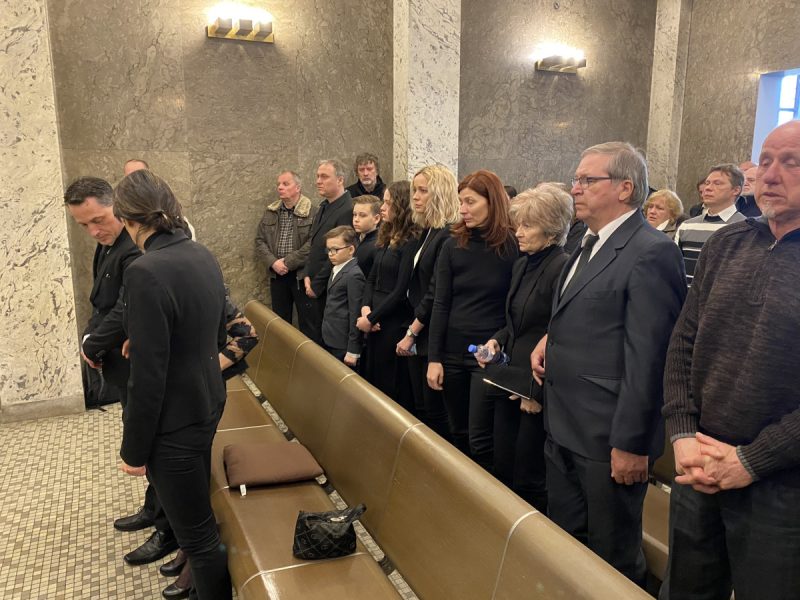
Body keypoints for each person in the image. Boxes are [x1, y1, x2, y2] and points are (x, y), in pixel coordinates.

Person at [531, 141, 686, 585]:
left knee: (612, 559)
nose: (575, 188)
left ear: (625, 188)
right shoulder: (586, 243)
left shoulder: (651, 250)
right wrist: (550, 339)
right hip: (564, 424)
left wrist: (632, 444)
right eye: (576, 179)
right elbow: (589, 311)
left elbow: (650, 356)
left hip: (608, 437)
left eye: (587, 180)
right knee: (568, 548)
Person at [659, 120, 800, 600]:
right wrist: (681, 433)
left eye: (791, 162)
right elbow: (683, 343)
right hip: (699, 462)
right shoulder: (727, 244)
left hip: (782, 486)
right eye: (766, 161)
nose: (771, 175)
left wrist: (750, 461)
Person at [114, 169, 232, 600]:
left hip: (174, 423)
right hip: (207, 401)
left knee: (198, 538)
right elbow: (215, 336)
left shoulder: (144, 271)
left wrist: (134, 451)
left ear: (128, 221)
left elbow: (148, 378)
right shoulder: (201, 253)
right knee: (198, 516)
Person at [480, 184, 572, 511]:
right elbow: (515, 321)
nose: (518, 232)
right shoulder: (522, 263)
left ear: (552, 230)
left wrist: (536, 393)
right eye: (518, 224)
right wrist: (497, 339)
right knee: (503, 467)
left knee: (529, 478)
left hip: (536, 386)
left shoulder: (562, 266)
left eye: (527, 226)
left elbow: (558, 333)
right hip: (511, 378)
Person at [161, 295, 258, 599]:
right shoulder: (155, 284)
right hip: (175, 401)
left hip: (200, 399)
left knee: (196, 473)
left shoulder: (203, 282)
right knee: (190, 478)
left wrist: (207, 369)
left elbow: (248, 335)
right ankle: (191, 550)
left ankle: (198, 558)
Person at [426, 169, 518, 468]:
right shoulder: (452, 245)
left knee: (481, 438)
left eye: (470, 202)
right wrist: (434, 358)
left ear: (492, 202)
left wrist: (499, 342)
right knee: (458, 431)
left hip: (487, 354)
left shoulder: (512, 246)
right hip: (452, 352)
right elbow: (441, 304)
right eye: (460, 202)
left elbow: (515, 307)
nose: (463, 209)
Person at [397, 165, 460, 440]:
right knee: (422, 408)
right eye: (415, 190)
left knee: (436, 413)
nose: (415, 196)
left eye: (423, 190)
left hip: (431, 331)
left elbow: (435, 292)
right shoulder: (429, 230)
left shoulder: (447, 233)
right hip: (420, 327)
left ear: (440, 193)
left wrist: (412, 331)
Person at [357, 181, 420, 411]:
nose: (382, 207)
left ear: (401, 206)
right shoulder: (387, 234)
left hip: (392, 321)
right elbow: (371, 278)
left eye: (388, 203)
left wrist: (372, 317)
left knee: (390, 383)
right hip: (374, 317)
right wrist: (366, 309)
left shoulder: (411, 240)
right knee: (371, 377)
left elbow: (401, 290)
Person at [255, 170, 320, 336]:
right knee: (280, 324)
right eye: (278, 184)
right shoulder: (271, 212)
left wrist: (288, 262)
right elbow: (260, 241)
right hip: (277, 275)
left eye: (285, 184)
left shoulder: (313, 212)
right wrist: (273, 262)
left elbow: (313, 243)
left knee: (308, 323)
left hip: (302, 275)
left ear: (298, 187)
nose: (280, 187)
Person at [302, 159, 354, 344]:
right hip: (313, 281)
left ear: (340, 180)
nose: (318, 181)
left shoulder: (347, 209)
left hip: (329, 287)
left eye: (324, 176)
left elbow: (338, 254)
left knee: (324, 342)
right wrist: (307, 273)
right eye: (317, 176)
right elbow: (314, 244)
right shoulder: (324, 206)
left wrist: (317, 284)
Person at [675, 164, 746, 285]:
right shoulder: (686, 226)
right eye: (707, 183)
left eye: (717, 183)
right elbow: (674, 267)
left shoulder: (745, 229)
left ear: (736, 190)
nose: (708, 188)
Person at [321, 226, 365, 366]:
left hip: (343, 342)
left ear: (351, 249)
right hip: (330, 336)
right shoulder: (337, 268)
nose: (330, 254)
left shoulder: (354, 275)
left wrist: (353, 350)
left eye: (335, 249)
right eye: (328, 250)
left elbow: (355, 313)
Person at [352, 195, 382, 279]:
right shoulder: (353, 239)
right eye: (354, 214)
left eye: (362, 215)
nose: (356, 219)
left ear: (376, 219)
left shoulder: (378, 245)